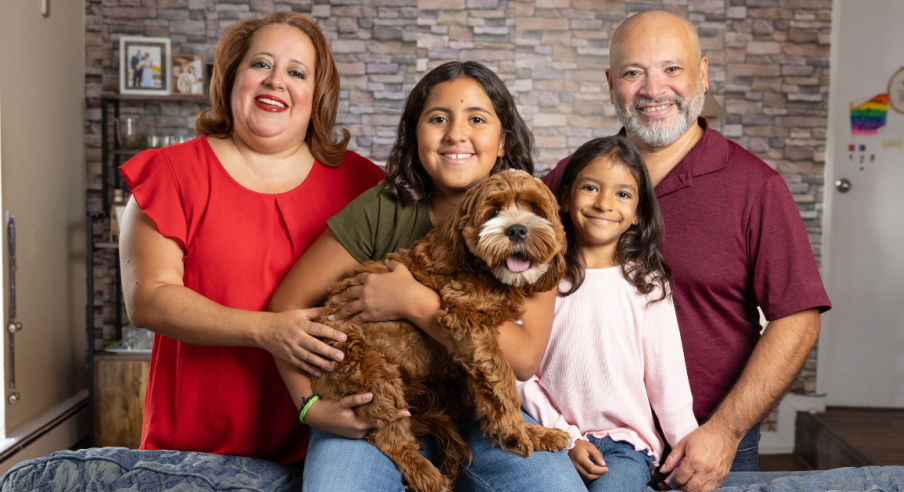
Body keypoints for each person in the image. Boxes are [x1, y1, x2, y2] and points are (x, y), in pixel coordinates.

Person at [541, 10, 831, 492]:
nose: (655, 90)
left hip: (703, 447)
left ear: (702, 74)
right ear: (611, 83)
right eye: (635, 72)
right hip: (584, 448)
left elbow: (798, 318)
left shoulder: (754, 186)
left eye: (672, 69)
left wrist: (724, 432)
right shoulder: (570, 180)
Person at [268, 61, 583, 492]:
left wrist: (412, 302)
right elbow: (285, 309)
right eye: (438, 119)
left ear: (502, 139)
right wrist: (309, 407)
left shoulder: (531, 218)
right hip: (372, 406)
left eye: (477, 118)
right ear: (416, 136)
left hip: (478, 411)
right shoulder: (384, 207)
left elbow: (524, 359)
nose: (456, 133)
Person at [118, 12, 384, 466]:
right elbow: (149, 299)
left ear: (315, 95)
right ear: (232, 79)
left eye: (296, 72)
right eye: (261, 65)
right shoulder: (170, 173)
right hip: (195, 452)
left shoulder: (363, 184)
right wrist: (267, 331)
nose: (276, 81)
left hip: (325, 448)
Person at [519, 135, 699, 492]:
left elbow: (670, 386)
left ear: (637, 215)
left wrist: (686, 460)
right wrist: (567, 439)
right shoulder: (538, 279)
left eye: (622, 194)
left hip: (625, 448)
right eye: (590, 187)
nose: (604, 203)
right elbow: (521, 376)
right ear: (566, 198)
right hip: (554, 440)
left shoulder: (649, 286)